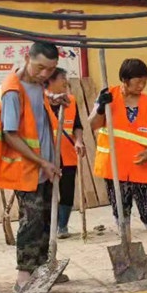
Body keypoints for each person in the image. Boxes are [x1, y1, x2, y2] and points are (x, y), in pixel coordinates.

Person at [0, 41, 62, 293]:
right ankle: (23, 278)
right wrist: (42, 162)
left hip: (45, 166)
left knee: (45, 219)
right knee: (31, 223)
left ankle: (43, 267)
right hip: (26, 169)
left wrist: (53, 99)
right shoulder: (12, 90)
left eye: (50, 70)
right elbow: (11, 135)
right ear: (27, 57)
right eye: (41, 67)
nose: (45, 74)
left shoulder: (38, 85)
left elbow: (38, 114)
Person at [89, 59, 147, 264]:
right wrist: (100, 108)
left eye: (144, 82)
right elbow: (93, 124)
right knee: (121, 211)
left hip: (144, 166)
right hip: (115, 168)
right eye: (138, 82)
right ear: (124, 80)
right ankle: (127, 247)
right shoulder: (107, 97)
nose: (141, 86)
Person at [45, 68, 86, 239]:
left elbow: (77, 125)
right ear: (51, 81)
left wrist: (78, 140)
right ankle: (47, 227)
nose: (65, 81)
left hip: (68, 153)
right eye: (62, 78)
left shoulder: (70, 101)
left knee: (67, 191)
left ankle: (62, 226)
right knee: (46, 191)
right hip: (46, 156)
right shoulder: (40, 101)